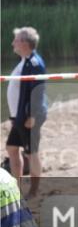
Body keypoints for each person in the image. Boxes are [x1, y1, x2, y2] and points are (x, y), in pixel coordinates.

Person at [5, 28, 47, 199]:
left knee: (32, 153)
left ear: (24, 42)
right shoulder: (25, 61)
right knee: (12, 148)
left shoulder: (35, 63)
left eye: (15, 40)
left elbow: (38, 91)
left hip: (28, 117)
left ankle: (34, 191)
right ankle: (17, 188)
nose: (13, 43)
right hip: (19, 117)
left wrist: (33, 116)